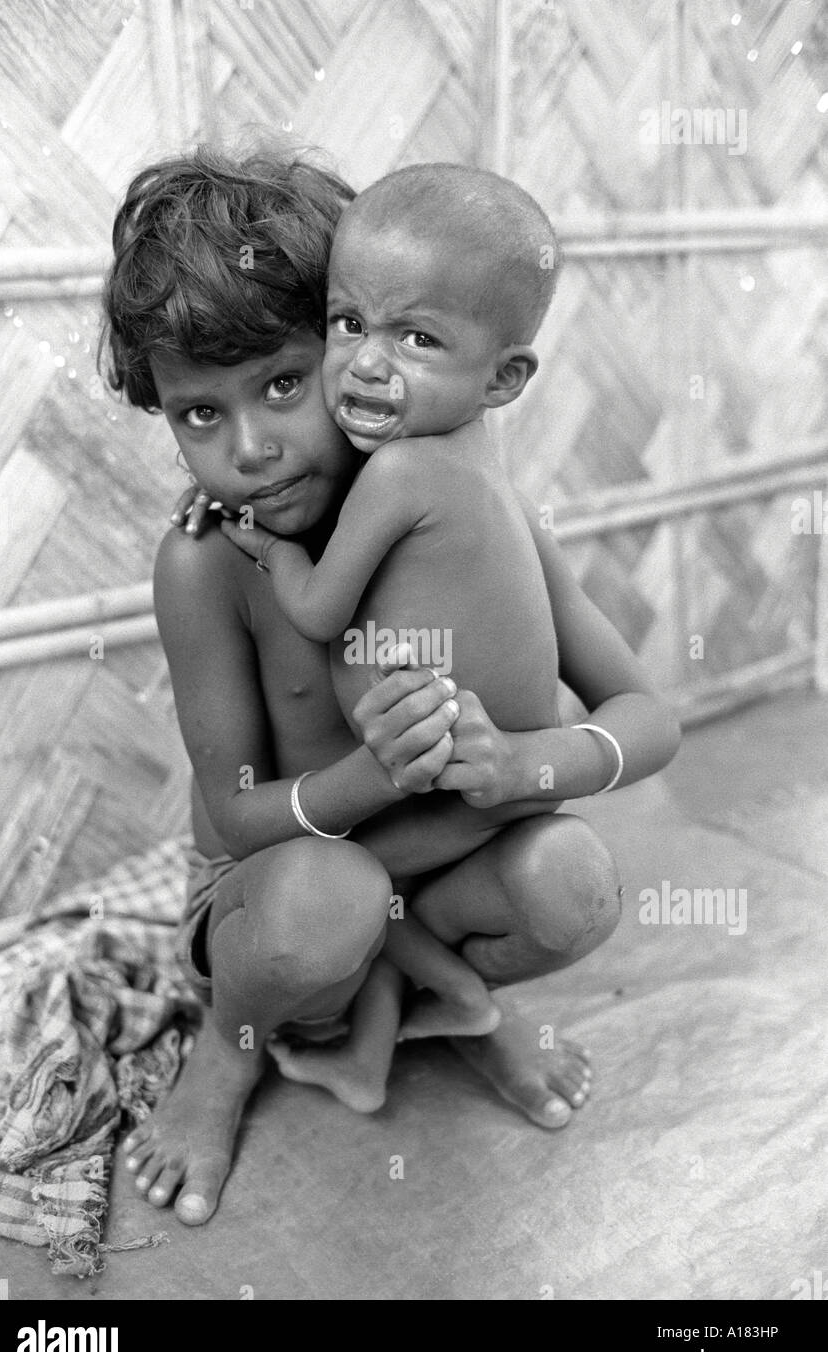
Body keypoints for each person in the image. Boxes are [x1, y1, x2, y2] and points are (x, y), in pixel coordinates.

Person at [101, 146, 681, 1226]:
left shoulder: (461, 510)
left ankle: (437, 1002)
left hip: (437, 863)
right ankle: (230, 1054)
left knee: (571, 876)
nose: (252, 449)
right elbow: (230, 817)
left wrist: (521, 763)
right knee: (330, 898)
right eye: (198, 416)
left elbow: (644, 713)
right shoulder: (209, 562)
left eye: (282, 383)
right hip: (275, 884)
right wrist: (373, 775)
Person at [217, 163, 583, 1104]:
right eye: (348, 324)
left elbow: (317, 612)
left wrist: (264, 547)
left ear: (503, 379)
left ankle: (462, 1000)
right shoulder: (474, 457)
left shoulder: (397, 477)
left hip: (456, 775)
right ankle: (380, 1048)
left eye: (416, 337)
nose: (367, 365)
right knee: (363, 885)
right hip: (500, 769)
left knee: (351, 887)